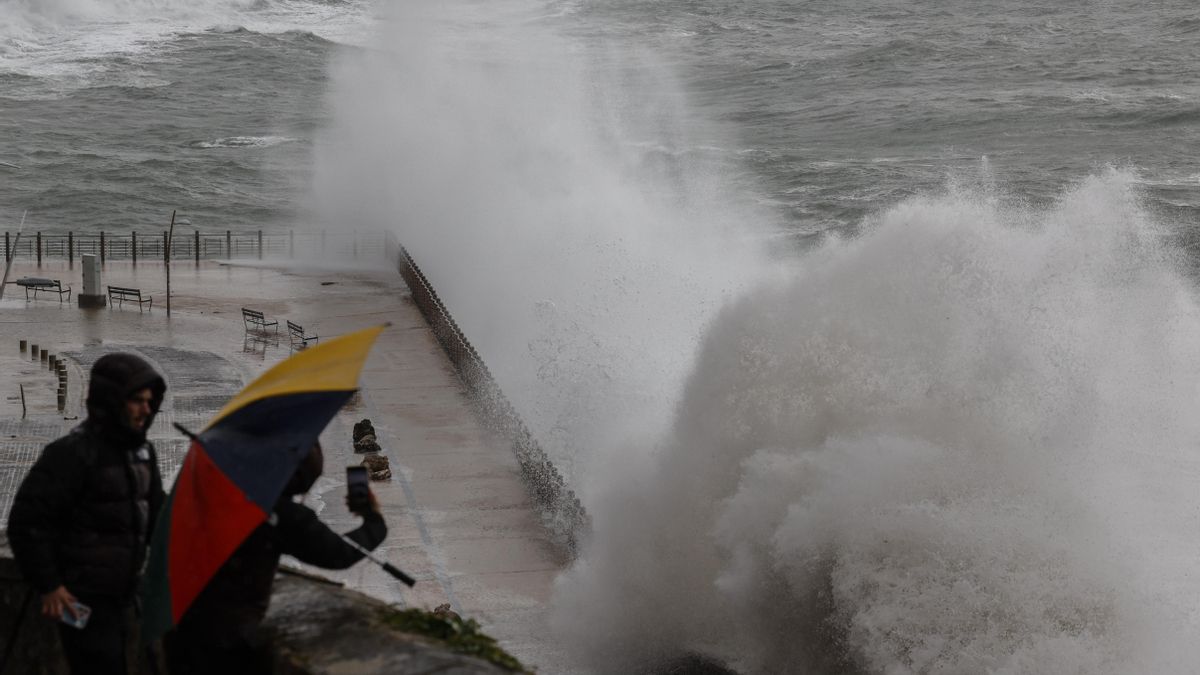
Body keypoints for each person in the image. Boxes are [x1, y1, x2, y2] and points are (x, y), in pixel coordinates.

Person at [163, 442, 387, 675]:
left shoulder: (222, 490)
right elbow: (338, 553)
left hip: (184, 626)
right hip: (229, 637)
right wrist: (374, 520)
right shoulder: (279, 514)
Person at [7, 353, 167, 675]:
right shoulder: (72, 454)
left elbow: (156, 519)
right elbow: (27, 522)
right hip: (83, 600)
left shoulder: (142, 452)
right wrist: (49, 584)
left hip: (126, 596)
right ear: (112, 401)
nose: (146, 410)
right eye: (137, 401)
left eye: (150, 401)